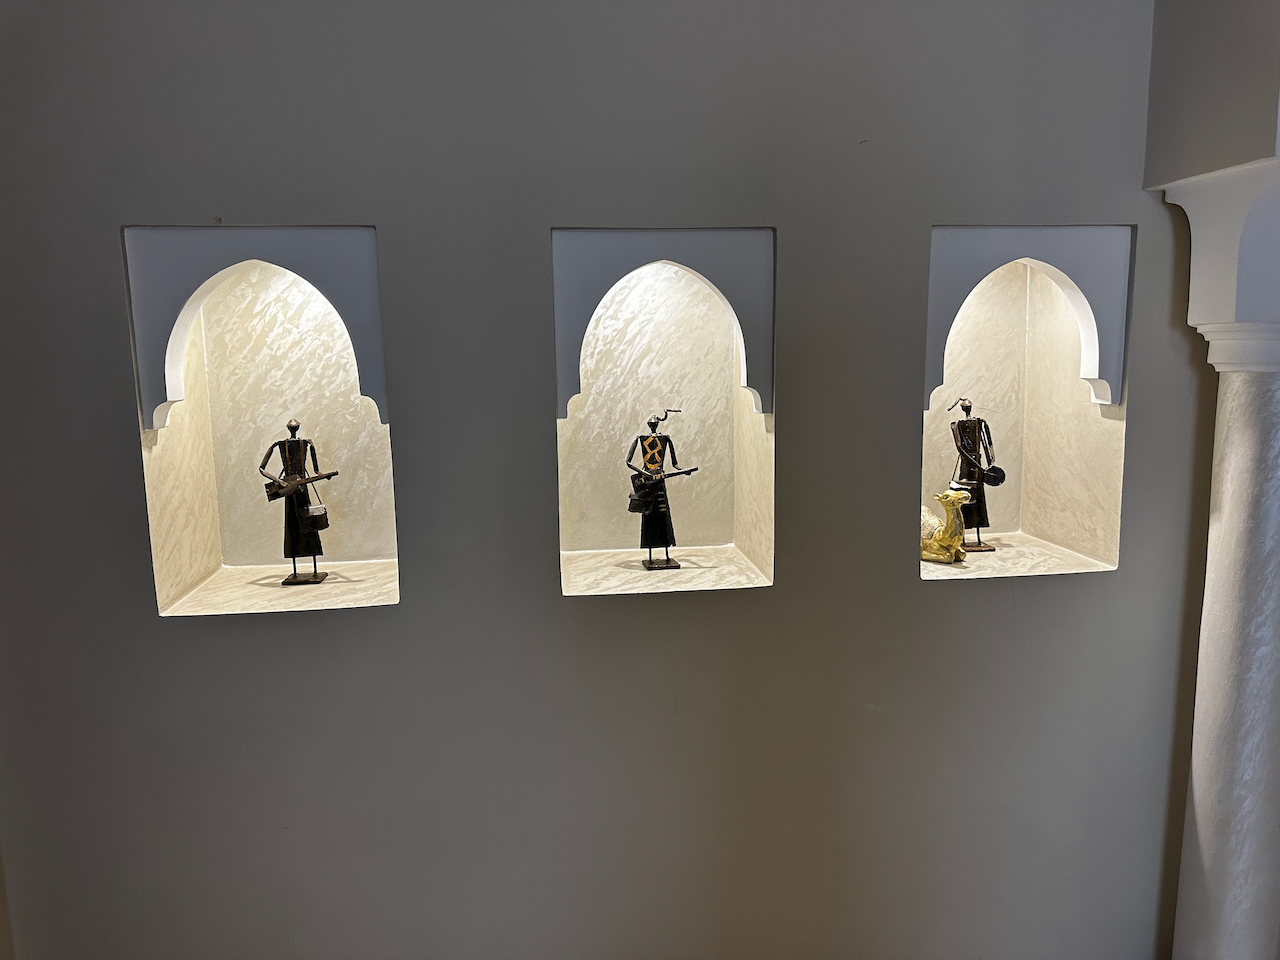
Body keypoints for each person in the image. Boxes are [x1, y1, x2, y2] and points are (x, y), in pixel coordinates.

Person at [259, 419, 336, 584]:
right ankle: (295, 565)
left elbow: (316, 470)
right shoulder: (279, 444)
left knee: (309, 522)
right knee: (292, 524)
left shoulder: (306, 443)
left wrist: (322, 475)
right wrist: (280, 482)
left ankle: (313, 564)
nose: (293, 429)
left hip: (302, 488)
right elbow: (261, 468)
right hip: (289, 488)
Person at [626, 409, 696, 570]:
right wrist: (645, 474)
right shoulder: (641, 438)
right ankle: (650, 552)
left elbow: (675, 464)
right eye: (652, 423)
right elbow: (628, 462)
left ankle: (666, 551)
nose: (653, 425)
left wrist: (683, 470)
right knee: (648, 513)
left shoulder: (666, 438)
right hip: (648, 483)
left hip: (660, 482)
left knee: (663, 514)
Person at [948, 397, 1003, 552]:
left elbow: (987, 443)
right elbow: (960, 448)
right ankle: (963, 537)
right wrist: (980, 466)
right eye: (965, 407)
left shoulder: (980, 422)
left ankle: (978, 536)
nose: (967, 409)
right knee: (965, 497)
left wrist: (991, 465)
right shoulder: (956, 425)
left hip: (978, 466)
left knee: (978, 498)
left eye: (968, 407)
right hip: (967, 466)